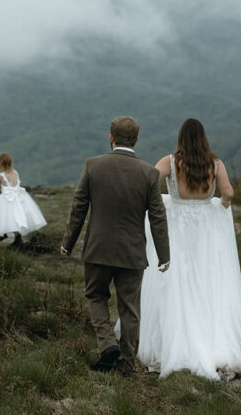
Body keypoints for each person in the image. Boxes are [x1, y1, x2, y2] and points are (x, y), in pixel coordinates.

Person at [138, 118, 241, 380]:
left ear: (181, 138)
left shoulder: (170, 162)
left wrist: (162, 201)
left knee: (175, 281)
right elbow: (228, 193)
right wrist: (219, 207)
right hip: (205, 232)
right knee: (207, 281)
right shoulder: (215, 163)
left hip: (177, 227)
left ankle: (174, 339)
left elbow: (149, 179)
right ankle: (214, 340)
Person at [61, 116, 170, 375]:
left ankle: (108, 345)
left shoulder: (93, 166)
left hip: (98, 249)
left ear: (111, 137)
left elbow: (78, 207)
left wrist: (68, 243)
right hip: (132, 253)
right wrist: (164, 255)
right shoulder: (149, 173)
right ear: (137, 139)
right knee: (130, 309)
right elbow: (157, 217)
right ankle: (127, 364)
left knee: (96, 296)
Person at [0, 152, 47, 242]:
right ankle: (7, 234)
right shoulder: (15, 172)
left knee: (6, 217)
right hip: (18, 197)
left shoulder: (1, 175)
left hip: (7, 199)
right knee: (15, 216)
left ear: (1, 165)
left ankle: (15, 237)